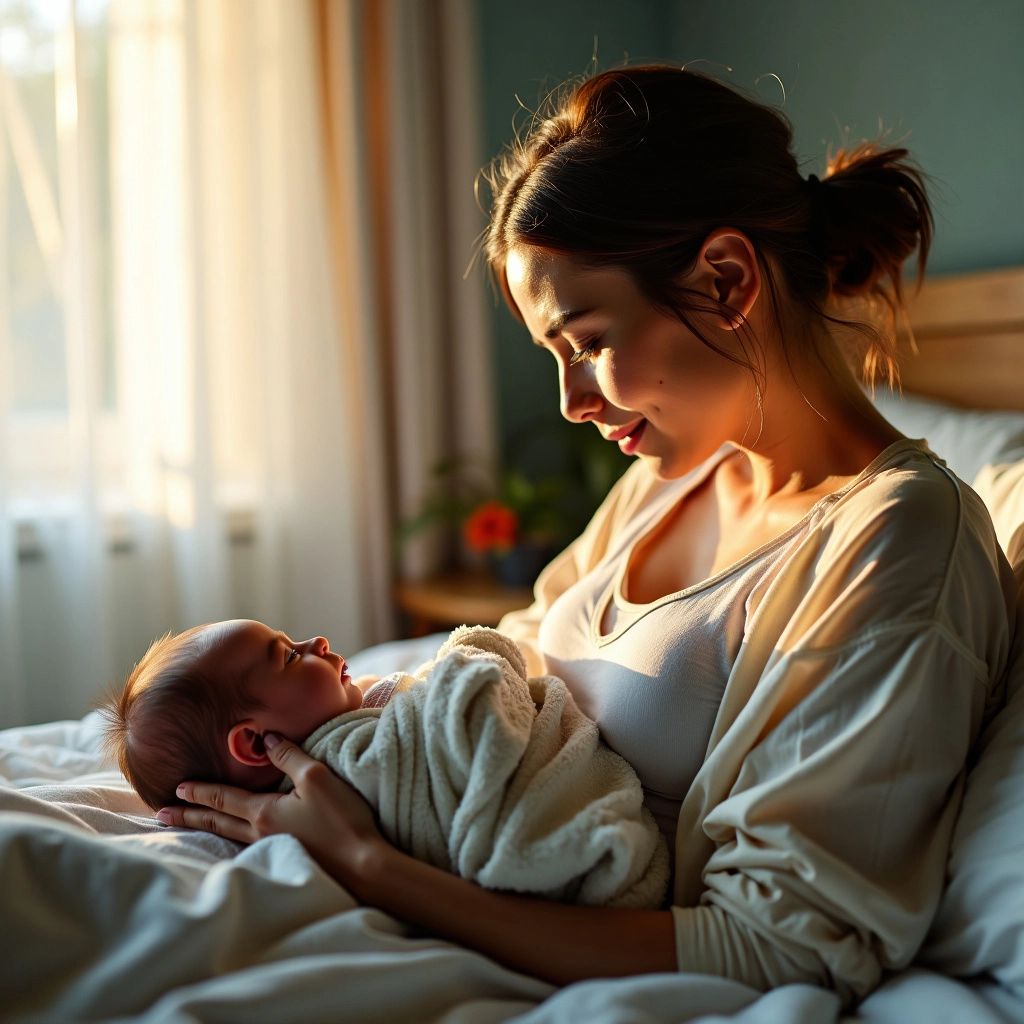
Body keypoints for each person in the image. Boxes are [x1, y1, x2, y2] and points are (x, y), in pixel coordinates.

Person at [156, 65, 1017, 1004]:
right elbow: (514, 654)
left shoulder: (895, 540)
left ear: (727, 280)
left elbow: (778, 945)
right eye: (557, 357)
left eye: (589, 342)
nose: (572, 403)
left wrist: (368, 862)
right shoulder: (668, 479)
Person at [103, 619, 668, 907]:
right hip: (574, 848)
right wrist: (475, 649)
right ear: (255, 745)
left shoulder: (351, 738)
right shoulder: (349, 759)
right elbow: (478, 706)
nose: (315, 642)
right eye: (287, 655)